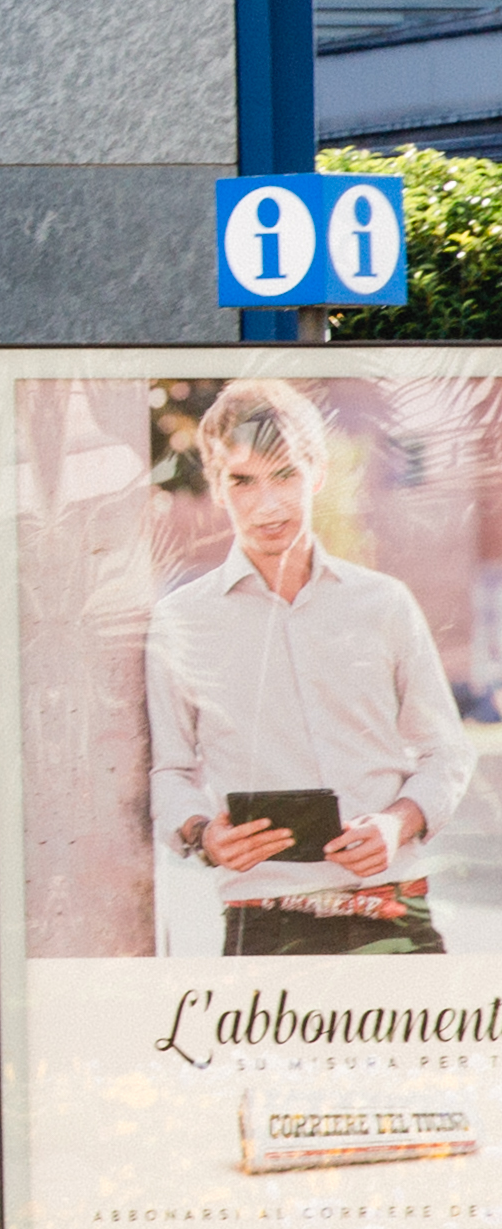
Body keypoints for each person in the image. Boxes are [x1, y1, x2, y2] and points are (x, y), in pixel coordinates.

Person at [147, 377, 470, 956]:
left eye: (285, 474)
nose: (268, 503)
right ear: (218, 487)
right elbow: (170, 772)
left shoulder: (384, 602)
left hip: (392, 909)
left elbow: (445, 750)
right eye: (243, 481)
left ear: (316, 472)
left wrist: (398, 822)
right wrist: (204, 835)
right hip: (263, 921)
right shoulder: (181, 621)